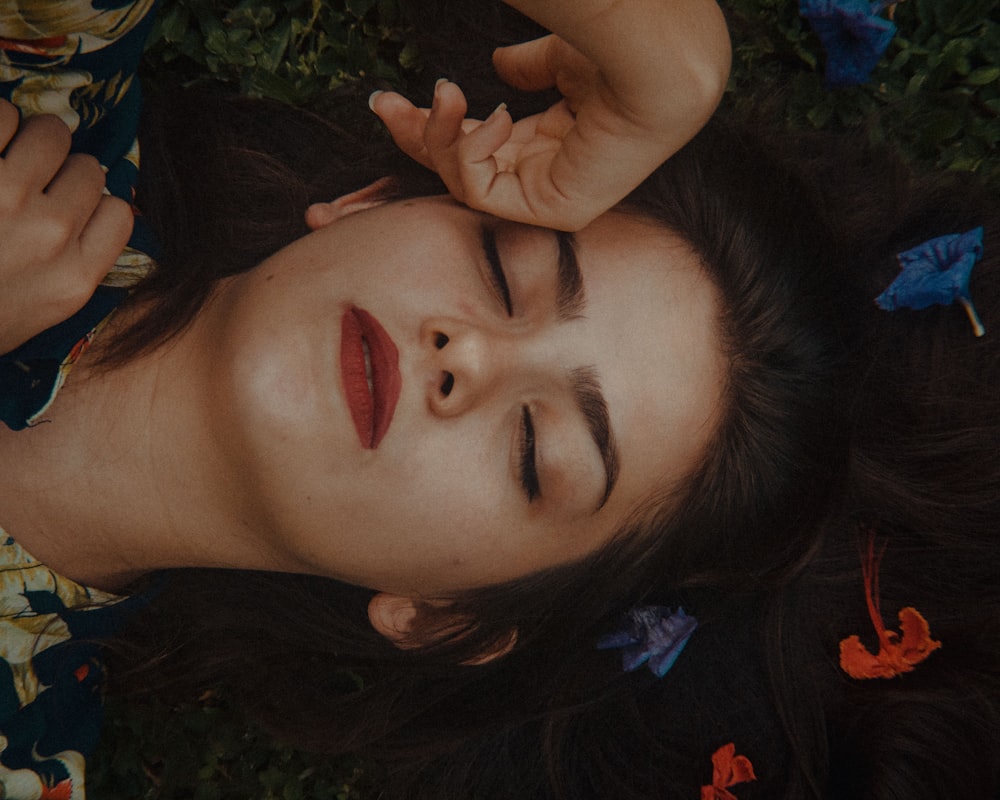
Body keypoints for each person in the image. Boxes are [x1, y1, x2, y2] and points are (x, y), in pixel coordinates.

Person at [1, 4, 998, 800]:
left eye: (535, 449)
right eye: (505, 267)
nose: (466, 354)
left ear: (446, 616)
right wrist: (668, 59)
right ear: (375, 200)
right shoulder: (50, 56)